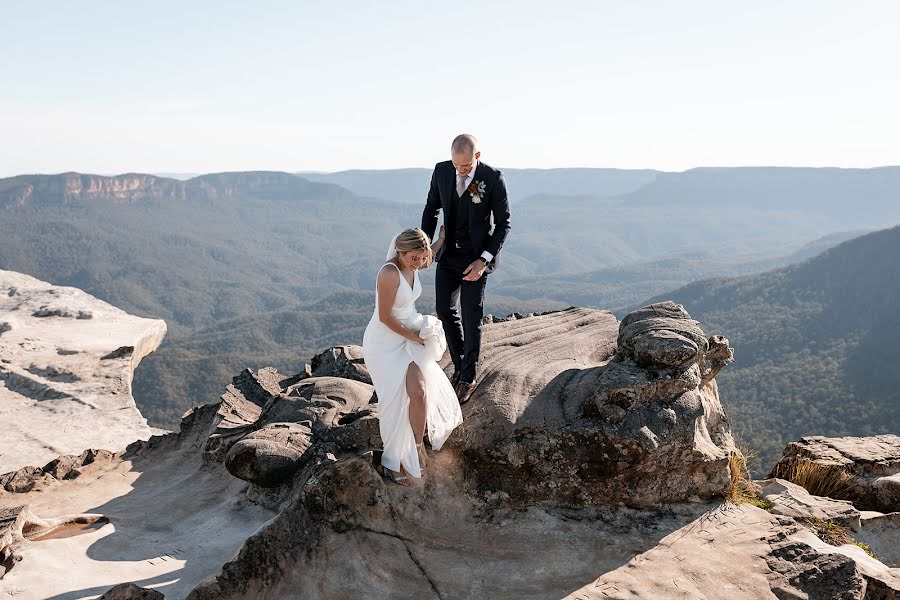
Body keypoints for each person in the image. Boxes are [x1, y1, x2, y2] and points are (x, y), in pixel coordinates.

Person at [362, 227, 464, 486]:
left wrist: (440, 240)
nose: (419, 264)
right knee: (394, 403)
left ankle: (416, 446)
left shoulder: (415, 261)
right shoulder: (388, 273)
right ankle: (392, 461)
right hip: (384, 343)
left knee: (419, 392)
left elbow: (428, 257)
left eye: (422, 258)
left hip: (409, 334)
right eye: (413, 259)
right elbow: (385, 317)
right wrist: (414, 336)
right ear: (400, 252)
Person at [421, 134, 511, 403]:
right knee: (444, 310)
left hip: (476, 258)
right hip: (448, 255)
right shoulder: (441, 171)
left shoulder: (493, 178)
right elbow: (431, 208)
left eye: (466, 166)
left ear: (477, 157)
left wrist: (483, 261)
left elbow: (503, 223)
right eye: (456, 164)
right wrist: (425, 243)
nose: (460, 170)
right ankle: (460, 367)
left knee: (472, 317)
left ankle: (469, 377)